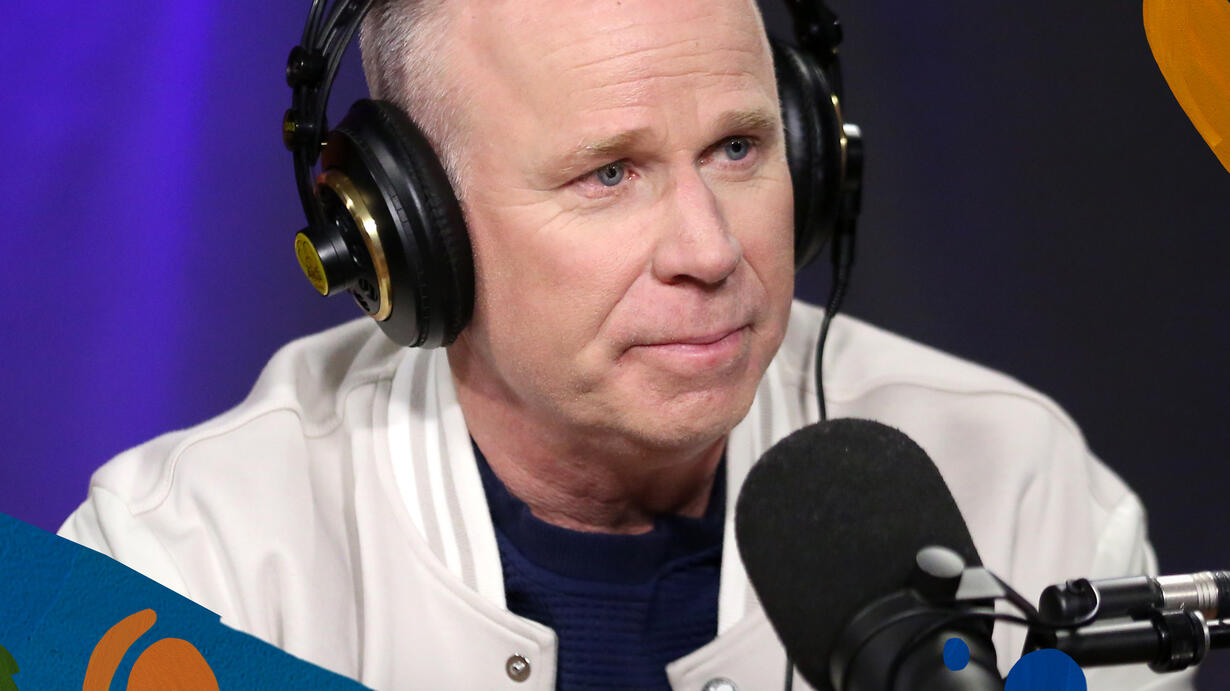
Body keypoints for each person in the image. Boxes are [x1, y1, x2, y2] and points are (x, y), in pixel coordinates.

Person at [59, 0, 1195, 689]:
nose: (710, 249)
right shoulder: (173, 570)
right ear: (406, 231)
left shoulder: (1021, 486)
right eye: (608, 173)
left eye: (739, 149)